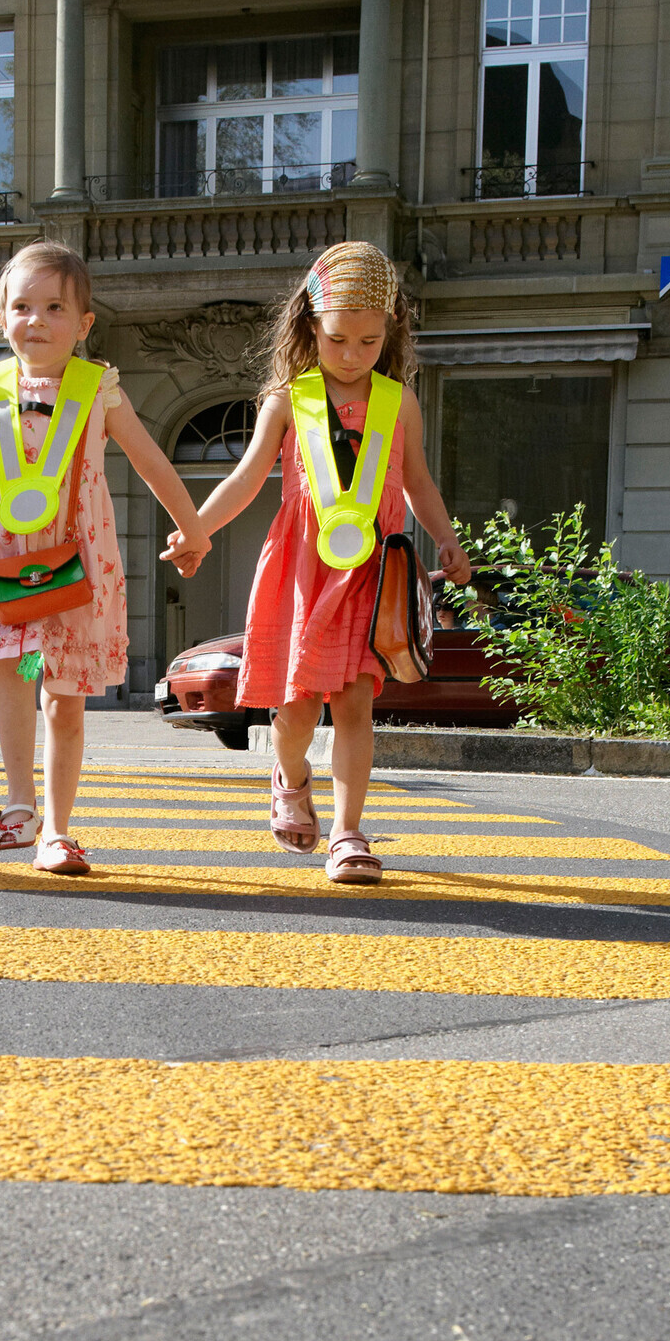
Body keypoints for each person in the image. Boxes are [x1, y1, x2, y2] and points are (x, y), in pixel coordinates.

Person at [0, 242, 207, 875]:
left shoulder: (97, 390)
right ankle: (19, 801)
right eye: (22, 305)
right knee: (17, 670)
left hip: (73, 569)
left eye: (55, 307)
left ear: (84, 324)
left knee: (63, 695)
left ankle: (57, 830)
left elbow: (150, 459)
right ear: (1, 316)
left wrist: (191, 527)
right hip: (10, 565)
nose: (37, 319)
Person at [174, 241, 471, 884]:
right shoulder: (287, 399)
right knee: (297, 712)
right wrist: (195, 530)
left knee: (358, 703)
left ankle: (348, 830)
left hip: (371, 570)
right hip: (303, 570)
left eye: (369, 341)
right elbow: (247, 479)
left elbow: (418, 482)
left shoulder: (400, 402)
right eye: (339, 339)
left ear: (388, 332)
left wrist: (445, 539)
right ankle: (291, 775)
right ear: (311, 324)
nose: (353, 354)